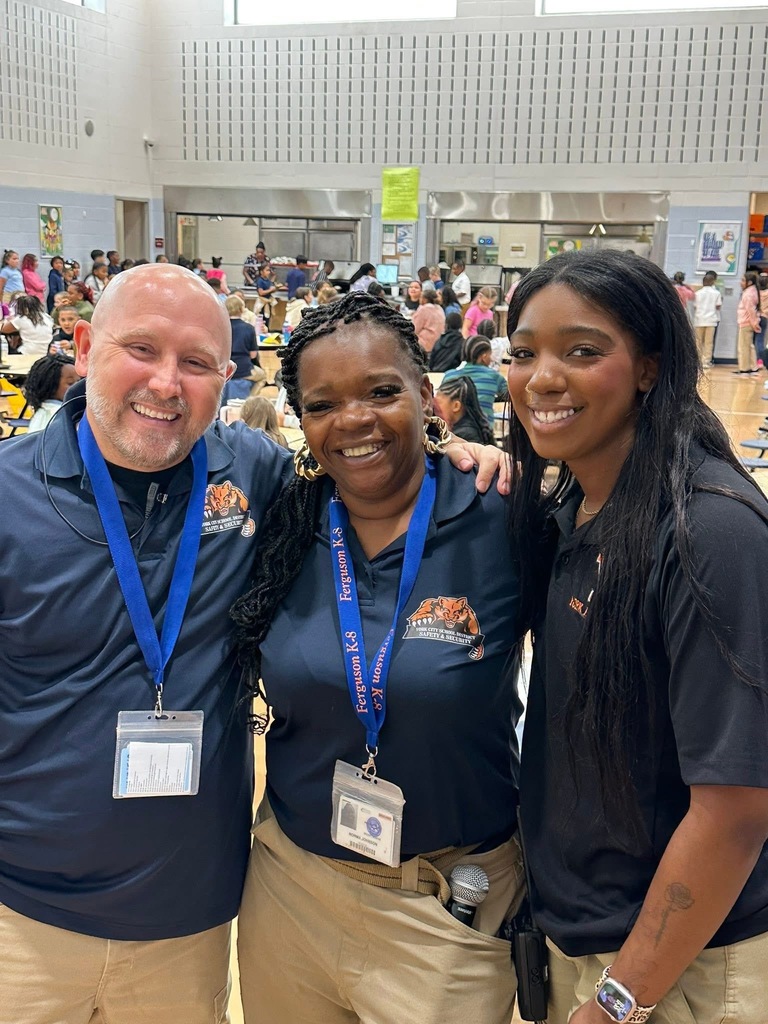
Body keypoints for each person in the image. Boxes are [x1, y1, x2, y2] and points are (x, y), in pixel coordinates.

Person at [0, 262, 506, 1022]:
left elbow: (378, 461)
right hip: (20, 917)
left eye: (197, 363)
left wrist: (473, 456)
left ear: (228, 376)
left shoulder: (263, 477)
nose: (167, 384)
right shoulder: (8, 495)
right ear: (82, 343)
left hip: (187, 919)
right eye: (141, 349)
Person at [231, 291, 525, 1024]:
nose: (354, 420)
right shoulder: (284, 522)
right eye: (323, 404)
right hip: (291, 888)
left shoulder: (504, 512)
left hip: (446, 900)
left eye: (382, 391)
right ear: (299, 417)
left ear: (430, 396)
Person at [505, 248, 768, 1024]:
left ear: (649, 368)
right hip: (581, 940)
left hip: (677, 969)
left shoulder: (707, 532)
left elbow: (736, 811)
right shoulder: (569, 509)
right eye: (524, 353)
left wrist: (618, 1001)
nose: (542, 377)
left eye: (582, 351)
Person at [442, 335, 508, 427]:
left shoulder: (449, 376)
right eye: (490, 355)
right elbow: (510, 395)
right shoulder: (494, 376)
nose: (491, 359)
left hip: (452, 432)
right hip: (483, 433)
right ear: (484, 357)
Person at [222, 293, 263, 404]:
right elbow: (253, 355)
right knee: (262, 377)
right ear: (241, 309)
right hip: (243, 369)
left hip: (223, 368)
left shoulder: (220, 327)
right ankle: (250, 400)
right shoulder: (249, 328)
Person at [22, 353, 80, 432]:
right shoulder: (59, 414)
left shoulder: (44, 411)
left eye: (79, 381)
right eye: (70, 383)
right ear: (49, 385)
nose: (77, 386)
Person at [434, 374, 496, 445]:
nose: (435, 407)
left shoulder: (464, 436)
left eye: (438, 403)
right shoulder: (466, 429)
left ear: (456, 406)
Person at [692, 270, 722, 368]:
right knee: (708, 342)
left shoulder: (697, 293)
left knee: (698, 342)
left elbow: (695, 306)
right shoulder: (716, 293)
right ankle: (706, 361)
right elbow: (718, 306)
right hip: (711, 320)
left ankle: (698, 361)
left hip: (699, 319)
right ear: (713, 282)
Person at [736, 270, 760, 373]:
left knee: (743, 346)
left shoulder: (748, 293)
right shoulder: (752, 291)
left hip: (746, 323)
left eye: (743, 280)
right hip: (748, 322)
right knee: (749, 345)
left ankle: (744, 368)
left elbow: (751, 310)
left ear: (749, 282)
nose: (741, 282)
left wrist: (754, 323)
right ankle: (752, 366)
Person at [411, 288, 445, 352]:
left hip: (425, 344)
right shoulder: (440, 308)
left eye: (421, 297)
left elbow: (414, 329)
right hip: (438, 343)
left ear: (425, 299)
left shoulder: (424, 309)